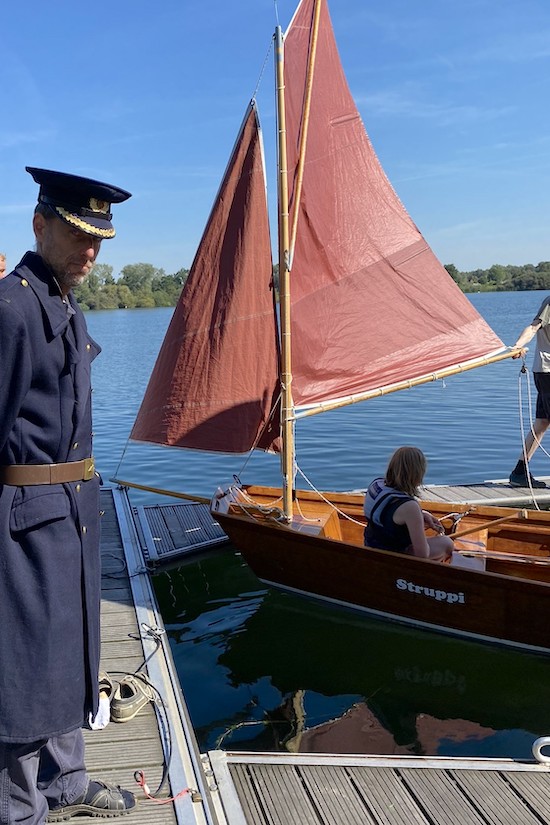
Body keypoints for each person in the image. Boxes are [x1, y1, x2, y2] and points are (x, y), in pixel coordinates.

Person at [0, 167, 135, 824]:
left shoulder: (61, 301)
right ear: (39, 223)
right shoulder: (11, 309)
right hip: (24, 528)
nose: (91, 251)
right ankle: (22, 808)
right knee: (22, 671)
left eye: (99, 240)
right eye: (79, 235)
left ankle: (66, 781)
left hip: (71, 517)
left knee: (70, 655)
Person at [364, 446, 453, 561]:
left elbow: (389, 515)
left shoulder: (376, 484)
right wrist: (418, 523)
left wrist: (422, 515)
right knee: (446, 543)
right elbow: (422, 554)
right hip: (393, 556)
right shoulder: (410, 507)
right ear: (418, 473)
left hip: (371, 547)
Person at [509, 300, 550, 488]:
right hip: (547, 371)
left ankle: (519, 472)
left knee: (542, 422)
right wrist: (518, 345)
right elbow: (533, 327)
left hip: (544, 372)